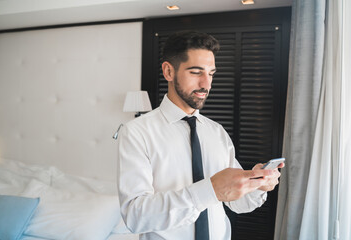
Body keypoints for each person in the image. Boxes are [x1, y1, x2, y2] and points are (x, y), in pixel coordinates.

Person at [118, 31, 284, 240]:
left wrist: (257, 183)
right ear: (169, 71)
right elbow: (135, 217)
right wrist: (210, 190)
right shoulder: (136, 132)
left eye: (211, 73)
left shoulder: (217, 132)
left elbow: (238, 204)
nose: (206, 84)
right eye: (196, 72)